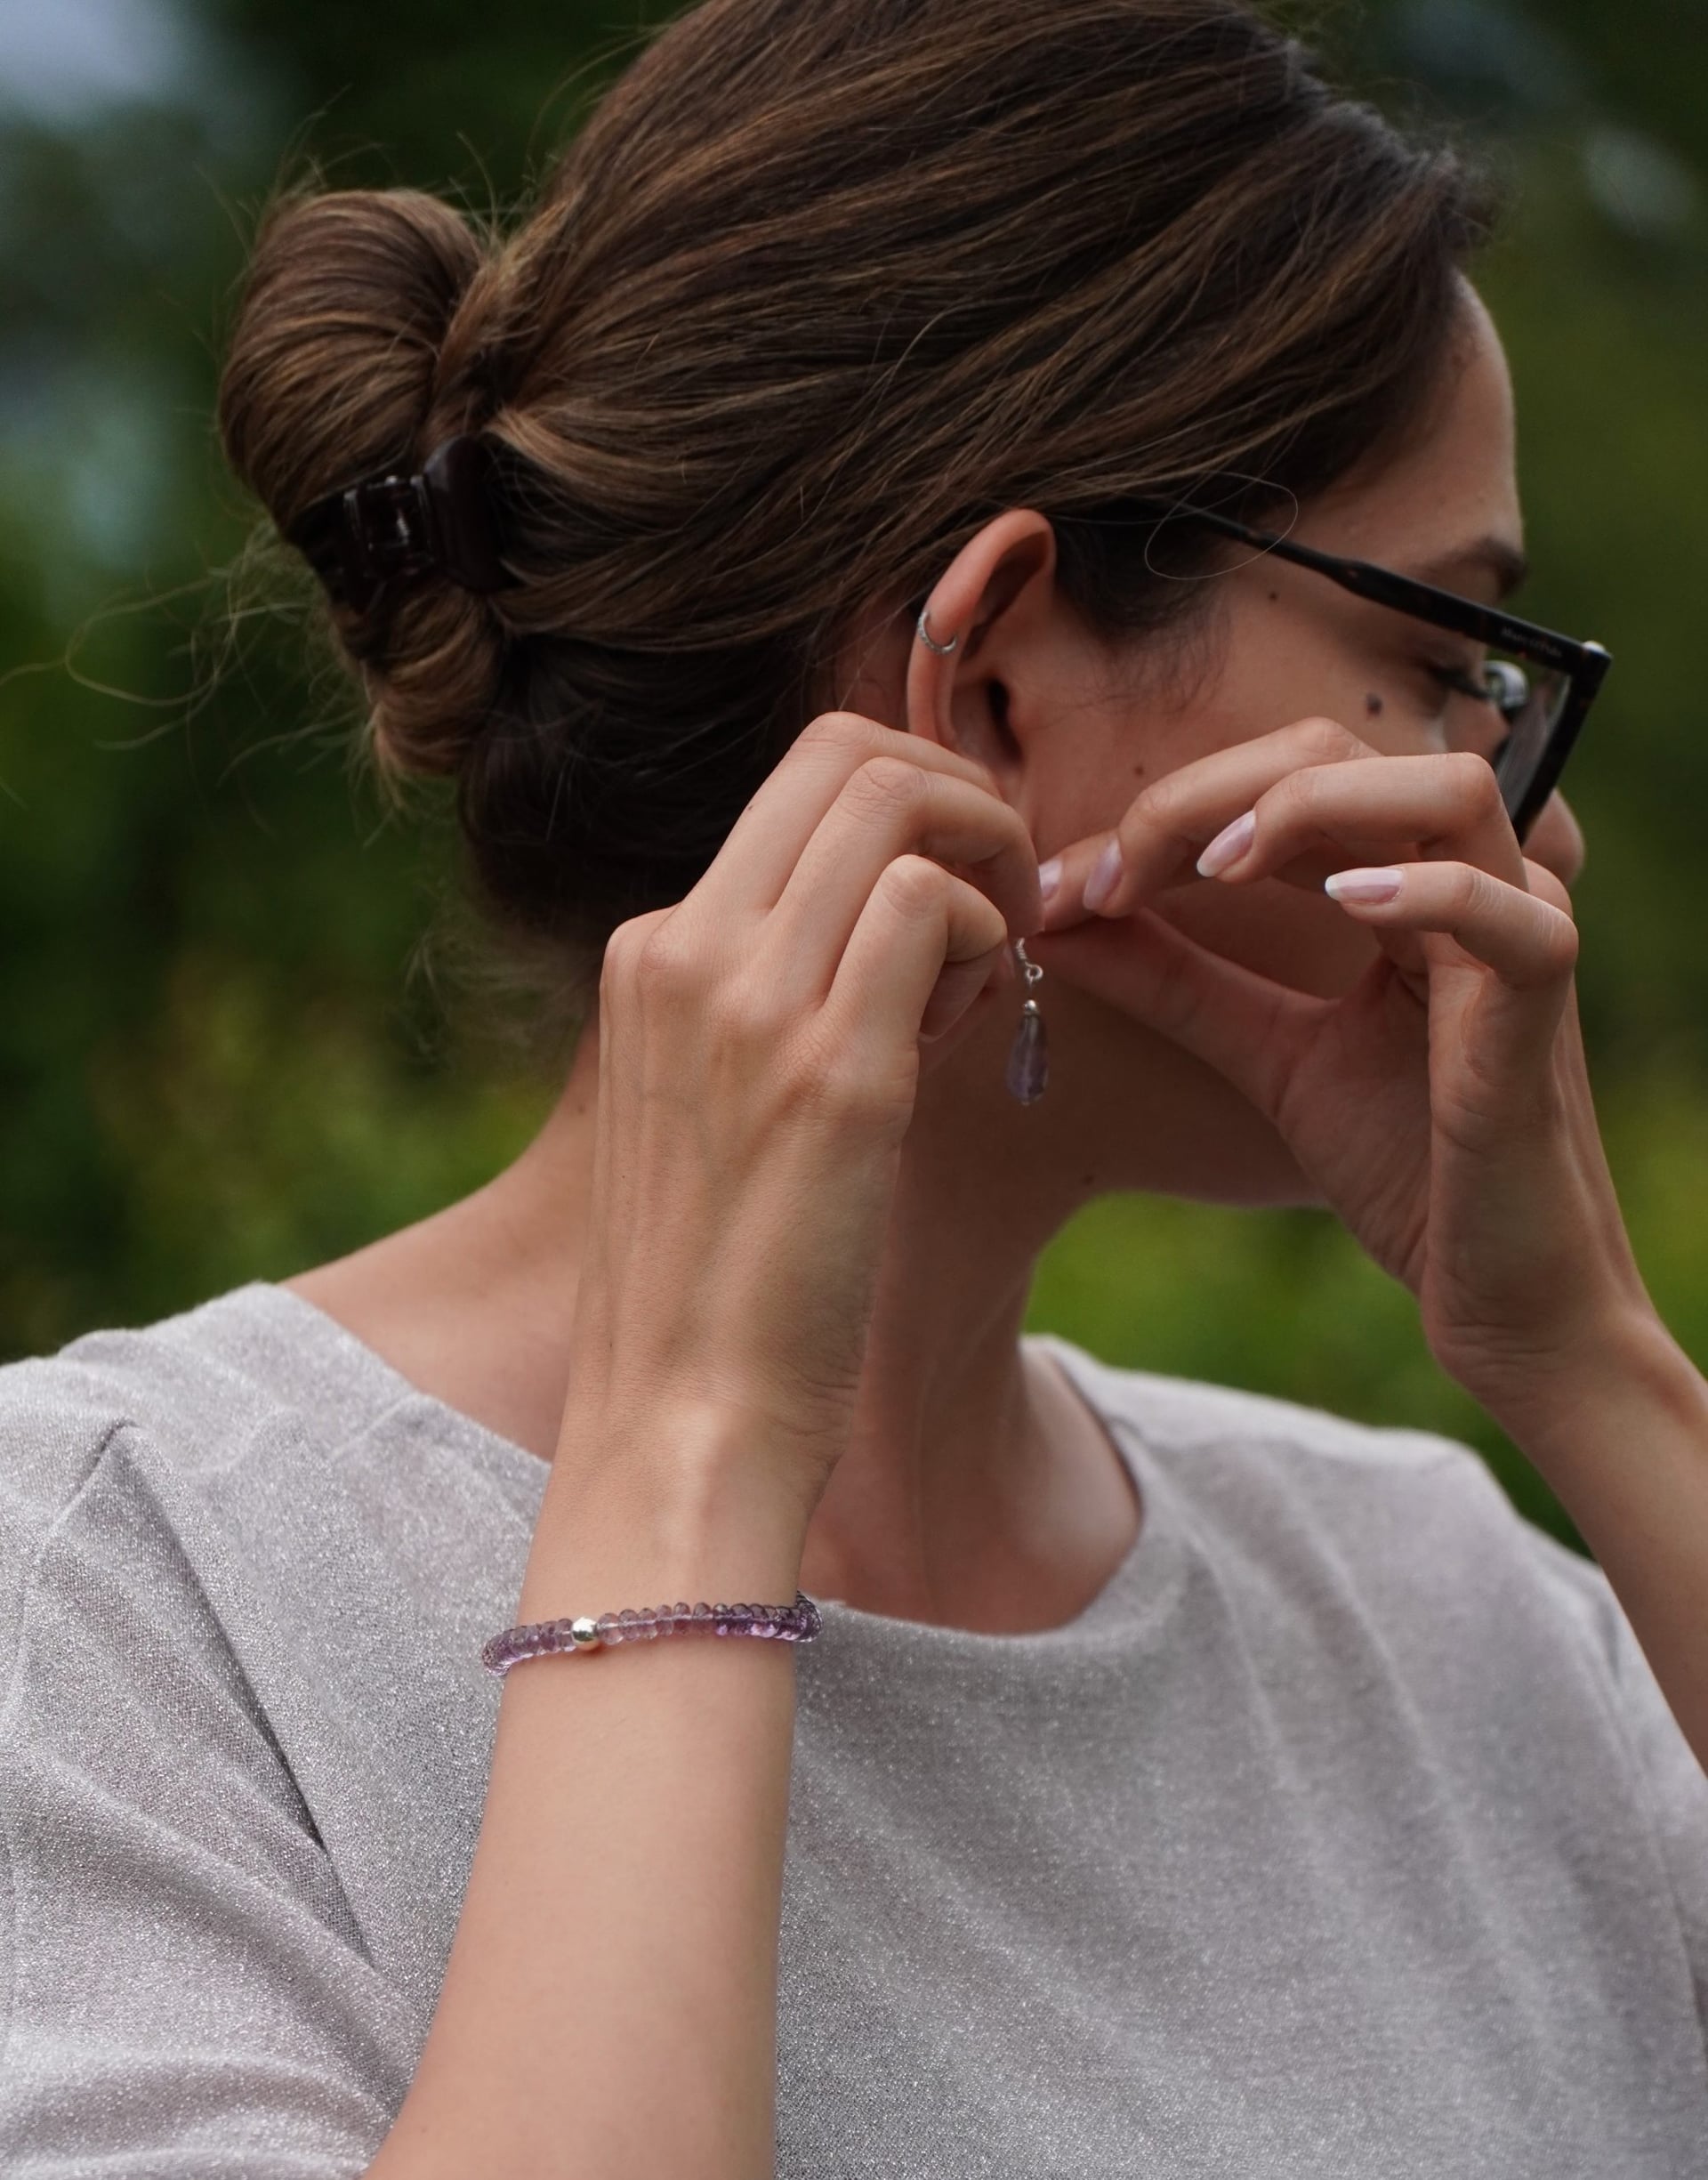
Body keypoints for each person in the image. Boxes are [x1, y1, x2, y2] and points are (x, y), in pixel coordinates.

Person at [2, 0, 1704, 2173]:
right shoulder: (106, 1595)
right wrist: (699, 1452)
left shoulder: (1461, 1614)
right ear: (988, 680)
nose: (1518, 817)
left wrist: (1601, 1373)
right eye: (1451, 656)